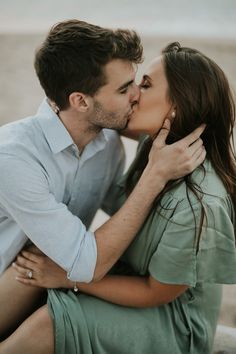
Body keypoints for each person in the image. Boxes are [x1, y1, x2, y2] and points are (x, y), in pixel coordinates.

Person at [3, 41, 236, 354]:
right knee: (29, 270)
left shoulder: (200, 201)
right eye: (132, 85)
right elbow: (95, 118)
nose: (135, 94)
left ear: (176, 108)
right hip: (124, 276)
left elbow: (158, 293)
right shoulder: (153, 147)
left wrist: (67, 278)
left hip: (170, 318)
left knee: (51, 321)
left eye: (145, 84)